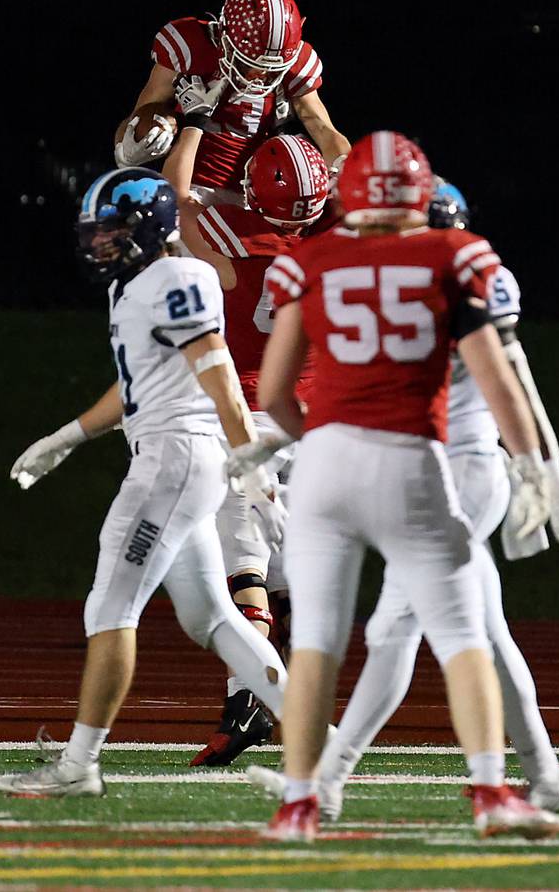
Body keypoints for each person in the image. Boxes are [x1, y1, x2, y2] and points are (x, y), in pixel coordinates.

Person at [229, 131, 559, 841]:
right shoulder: (453, 257)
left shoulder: (311, 259)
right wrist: (537, 466)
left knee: (317, 639)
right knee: (462, 634)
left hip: (327, 463)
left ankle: (299, 804)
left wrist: (306, 435)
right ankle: (489, 789)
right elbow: (500, 380)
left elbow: (282, 390)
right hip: (412, 460)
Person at [0, 167, 288, 797]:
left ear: (149, 226)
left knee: (110, 606)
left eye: (113, 230)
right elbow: (136, 390)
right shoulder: (137, 284)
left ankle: (78, 765)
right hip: (174, 456)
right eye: (95, 231)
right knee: (210, 616)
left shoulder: (178, 277)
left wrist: (254, 464)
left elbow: (218, 372)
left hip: (173, 462)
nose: (99, 242)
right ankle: (320, 736)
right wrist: (66, 438)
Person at [177, 134, 333, 767]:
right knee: (292, 574)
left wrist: (194, 124)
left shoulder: (231, 233)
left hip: (248, 414)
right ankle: (293, 695)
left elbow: (176, 199)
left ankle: (244, 706)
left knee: (244, 565)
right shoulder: (338, 246)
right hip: (317, 420)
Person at [113, 0, 350, 208]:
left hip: (257, 195)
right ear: (223, 37)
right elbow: (137, 117)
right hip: (186, 185)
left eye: (272, 69)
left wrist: (346, 169)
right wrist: (131, 148)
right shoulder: (191, 47)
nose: (260, 75)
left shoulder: (296, 63)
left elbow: (322, 127)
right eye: (251, 63)